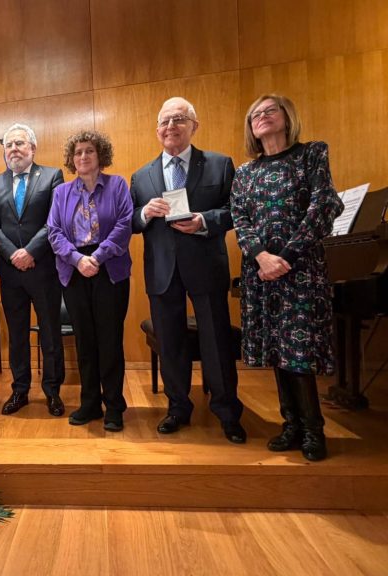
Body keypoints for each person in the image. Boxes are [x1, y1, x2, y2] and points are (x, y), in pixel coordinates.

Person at [231, 94, 344, 461]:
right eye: (255, 115)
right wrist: (263, 257)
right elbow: (240, 219)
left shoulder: (311, 154)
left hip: (301, 270)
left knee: (299, 351)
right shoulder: (246, 173)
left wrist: (287, 256)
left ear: (286, 116)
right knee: (278, 350)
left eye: (270, 111)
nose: (262, 118)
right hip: (261, 272)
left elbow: (324, 205)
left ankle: (314, 430)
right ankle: (290, 425)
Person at [130, 97, 246, 444]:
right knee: (171, 344)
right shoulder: (141, 175)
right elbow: (132, 223)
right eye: (164, 121)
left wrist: (204, 220)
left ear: (193, 125)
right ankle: (178, 407)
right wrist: (144, 213)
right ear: (157, 130)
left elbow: (236, 211)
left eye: (178, 119)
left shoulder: (219, 164)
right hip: (162, 270)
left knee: (216, 341)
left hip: (206, 266)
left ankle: (227, 411)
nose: (170, 127)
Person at [47, 131, 132, 432]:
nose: (83, 157)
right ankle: (89, 403)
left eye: (90, 151)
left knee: (109, 340)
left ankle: (114, 406)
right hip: (74, 271)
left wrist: (97, 257)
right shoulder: (61, 194)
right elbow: (54, 232)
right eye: (78, 152)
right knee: (85, 340)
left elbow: (125, 224)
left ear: (100, 156)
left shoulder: (118, 185)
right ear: (72, 159)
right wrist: (77, 259)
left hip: (109, 269)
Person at [0, 123, 66, 417]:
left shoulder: (53, 176)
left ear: (33, 148)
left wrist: (30, 251)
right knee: (17, 335)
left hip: (43, 268)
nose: (14, 149)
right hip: (10, 272)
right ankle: (20, 391)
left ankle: (53, 392)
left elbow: (56, 219)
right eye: (9, 145)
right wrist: (13, 254)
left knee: (50, 333)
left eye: (20, 143)